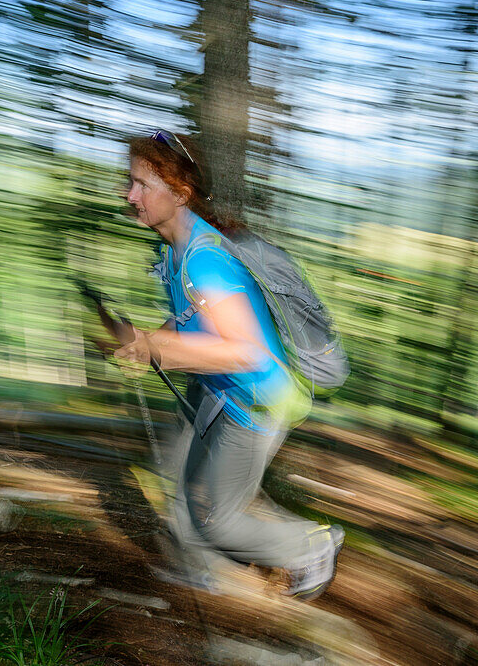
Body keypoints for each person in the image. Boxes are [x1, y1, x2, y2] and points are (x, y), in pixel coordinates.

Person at [113, 129, 344, 600]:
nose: (129, 194)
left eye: (142, 185)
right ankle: (199, 569)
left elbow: (245, 350)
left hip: (256, 401)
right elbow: (192, 321)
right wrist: (145, 339)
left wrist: (154, 350)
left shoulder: (205, 261)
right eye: (130, 181)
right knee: (180, 475)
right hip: (221, 389)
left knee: (219, 518)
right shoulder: (174, 249)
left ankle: (310, 547)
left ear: (180, 194)